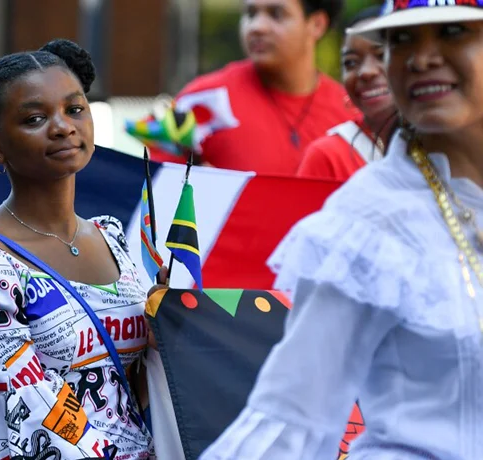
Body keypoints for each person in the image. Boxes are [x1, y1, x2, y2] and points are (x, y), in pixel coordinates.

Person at [199, 0, 483, 458]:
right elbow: (292, 417)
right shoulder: (367, 221)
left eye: (452, 31)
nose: (421, 58)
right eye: (402, 39)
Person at [0, 39, 153, 460]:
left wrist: (171, 322)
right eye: (35, 118)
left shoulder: (112, 238)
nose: (62, 126)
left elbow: (138, 379)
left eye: (75, 109)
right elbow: (28, 402)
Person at [151, 0, 355, 175]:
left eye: (276, 14)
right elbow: (156, 197)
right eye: (250, 13)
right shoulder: (202, 100)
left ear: (317, 24)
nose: (257, 27)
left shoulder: (350, 112)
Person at [297, 6, 397, 181]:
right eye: (351, 63)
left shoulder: (446, 142)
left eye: (382, 56)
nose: (366, 72)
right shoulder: (327, 156)